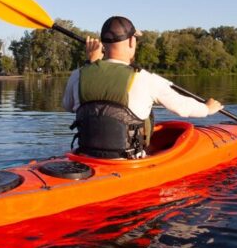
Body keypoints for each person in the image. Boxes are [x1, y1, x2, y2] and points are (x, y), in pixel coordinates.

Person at [62, 15, 223, 159]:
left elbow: (68, 106)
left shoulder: (78, 74)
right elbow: (183, 108)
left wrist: (91, 64)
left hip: (86, 157)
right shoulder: (145, 79)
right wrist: (207, 109)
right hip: (129, 161)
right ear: (132, 41)